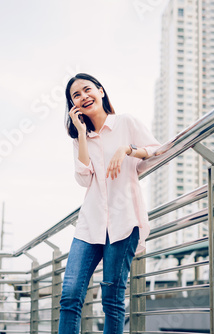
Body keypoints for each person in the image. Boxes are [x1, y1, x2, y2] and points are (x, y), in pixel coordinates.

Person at [58, 73, 161, 334]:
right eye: (76, 95)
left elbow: (157, 151)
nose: (83, 97)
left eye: (87, 89)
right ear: (73, 106)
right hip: (89, 225)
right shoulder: (80, 138)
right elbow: (83, 178)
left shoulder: (126, 123)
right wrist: (81, 133)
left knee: (112, 299)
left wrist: (127, 149)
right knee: (70, 295)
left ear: (101, 91)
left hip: (124, 221)